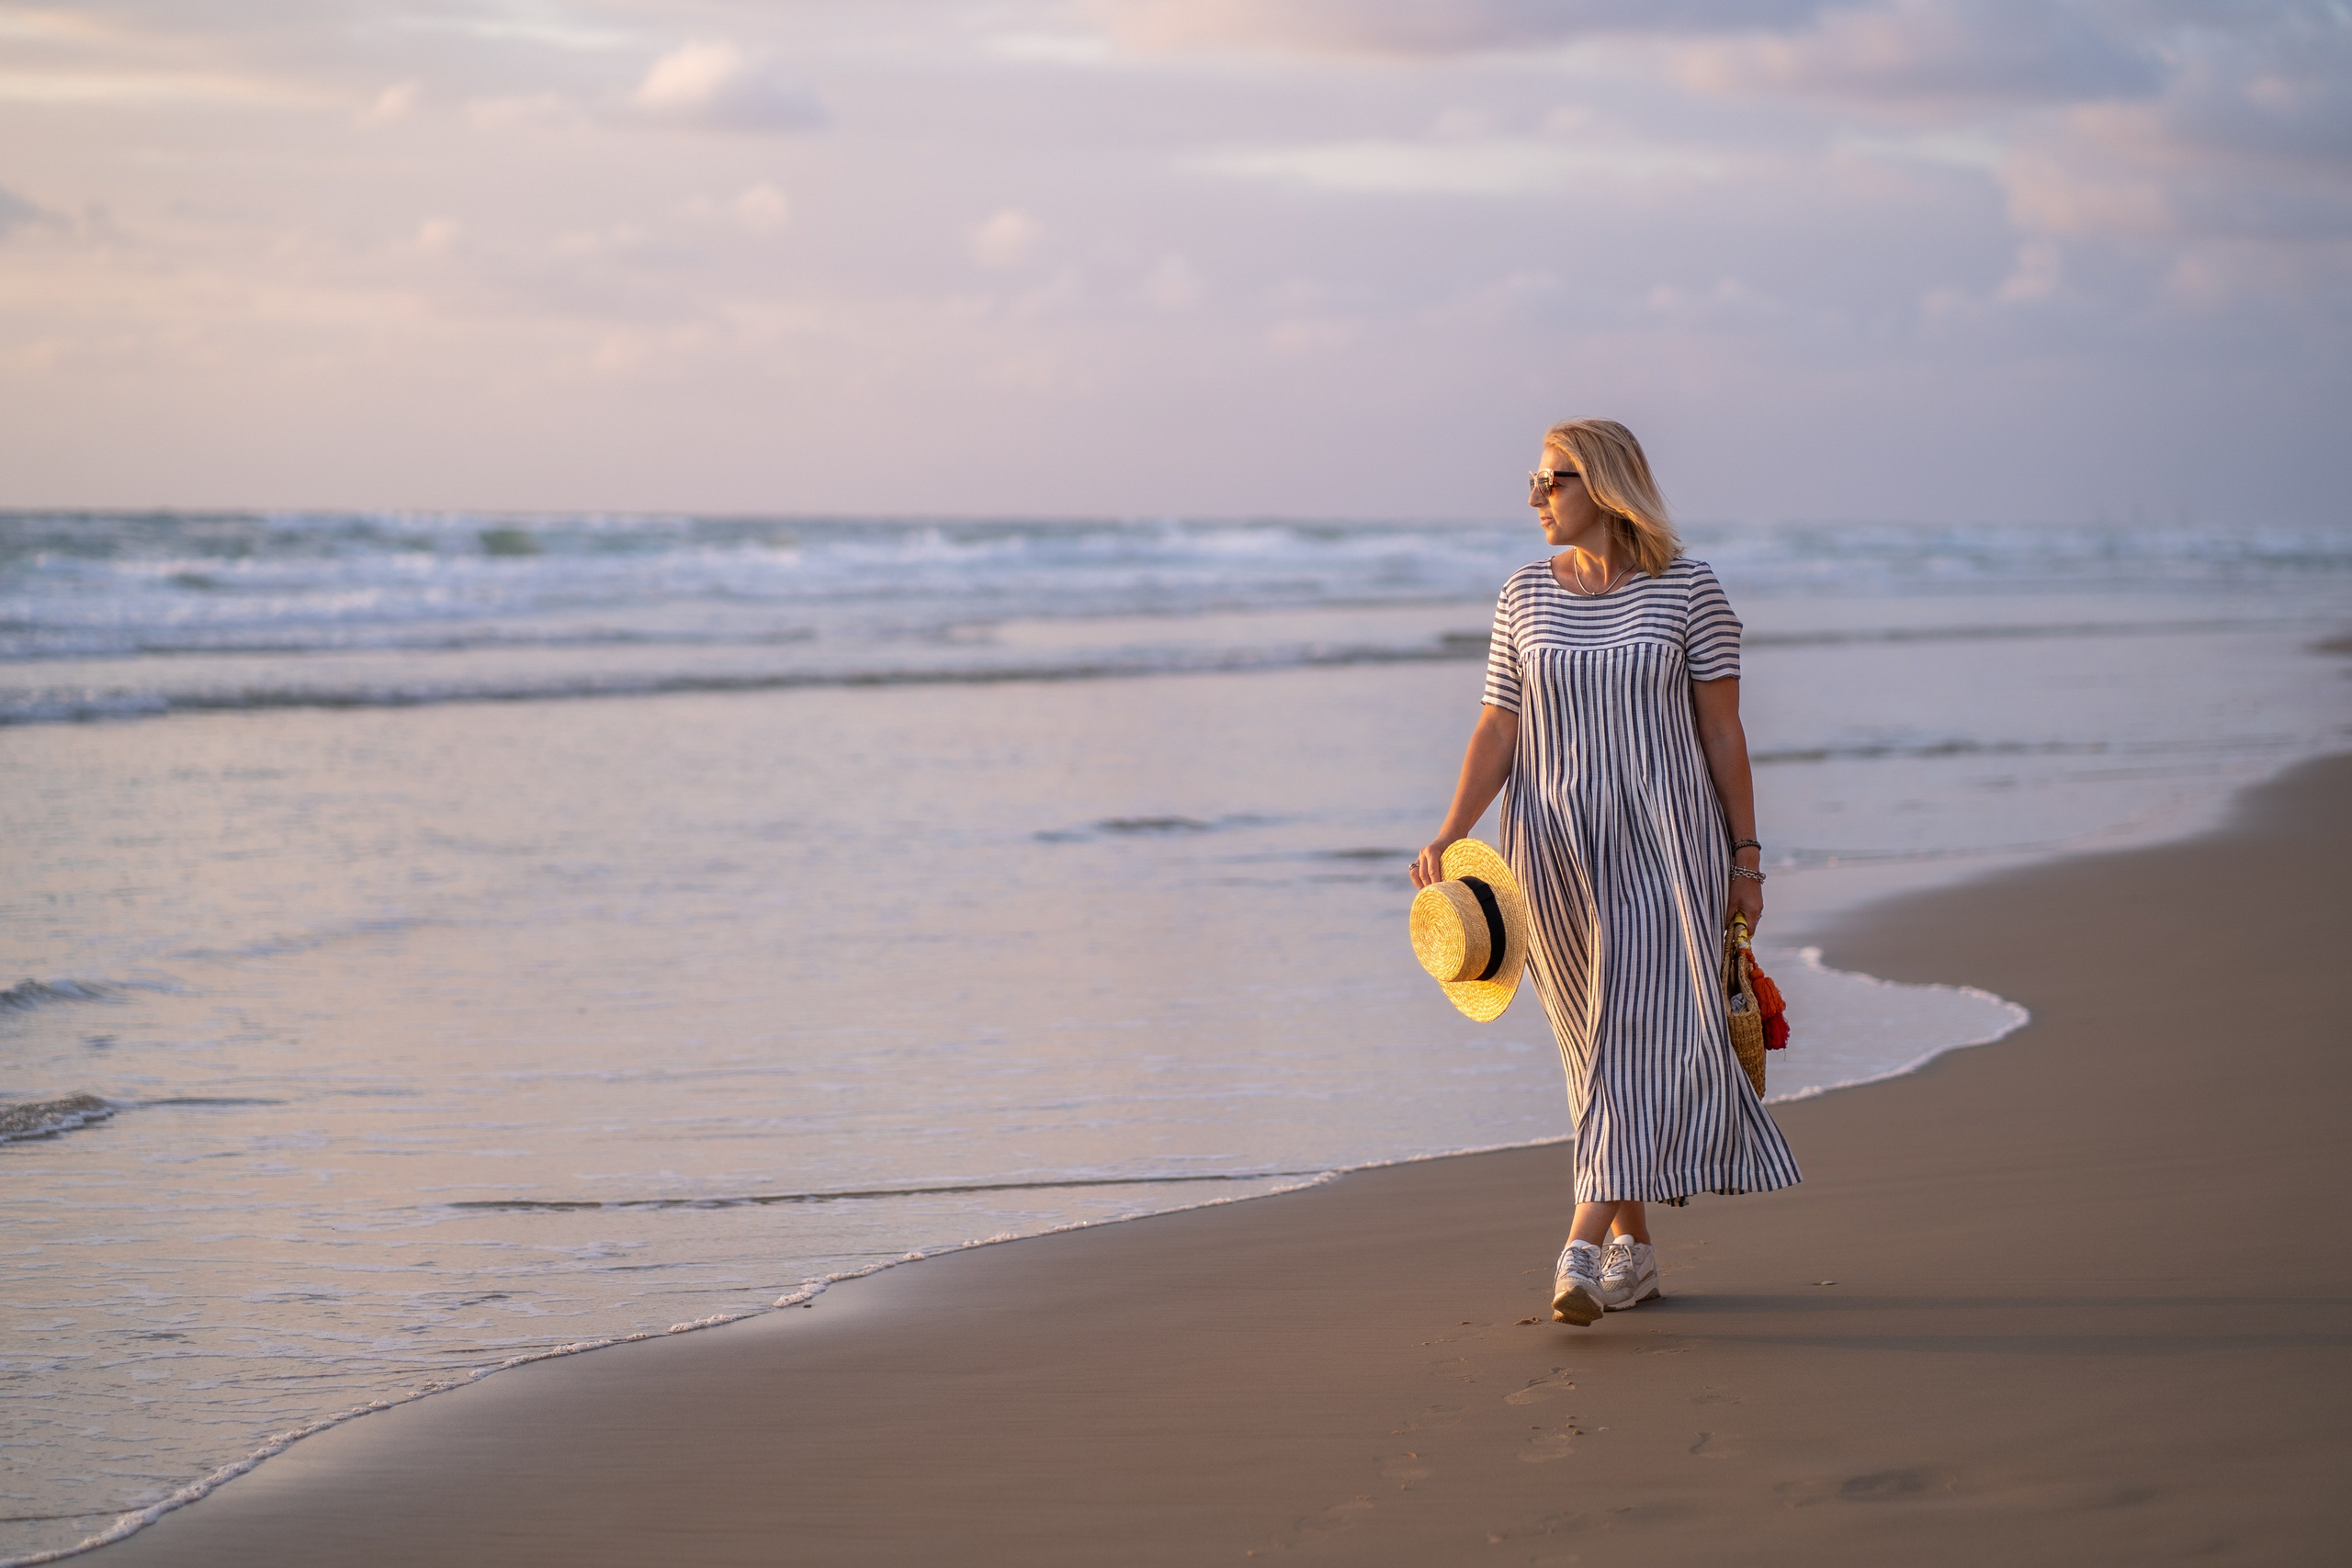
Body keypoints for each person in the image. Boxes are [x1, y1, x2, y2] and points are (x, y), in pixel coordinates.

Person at [1410, 418, 1801, 1326]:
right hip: (1549, 849)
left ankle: (1580, 1245)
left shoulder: (1688, 589)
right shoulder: (1521, 597)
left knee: (1635, 1028)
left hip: (1669, 842)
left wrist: (1746, 858)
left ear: (1607, 485)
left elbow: (1721, 734)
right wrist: (1451, 829)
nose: (1536, 498)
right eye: (1534, 483)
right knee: (1594, 1044)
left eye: (1554, 481)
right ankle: (1637, 1253)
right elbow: (1498, 729)